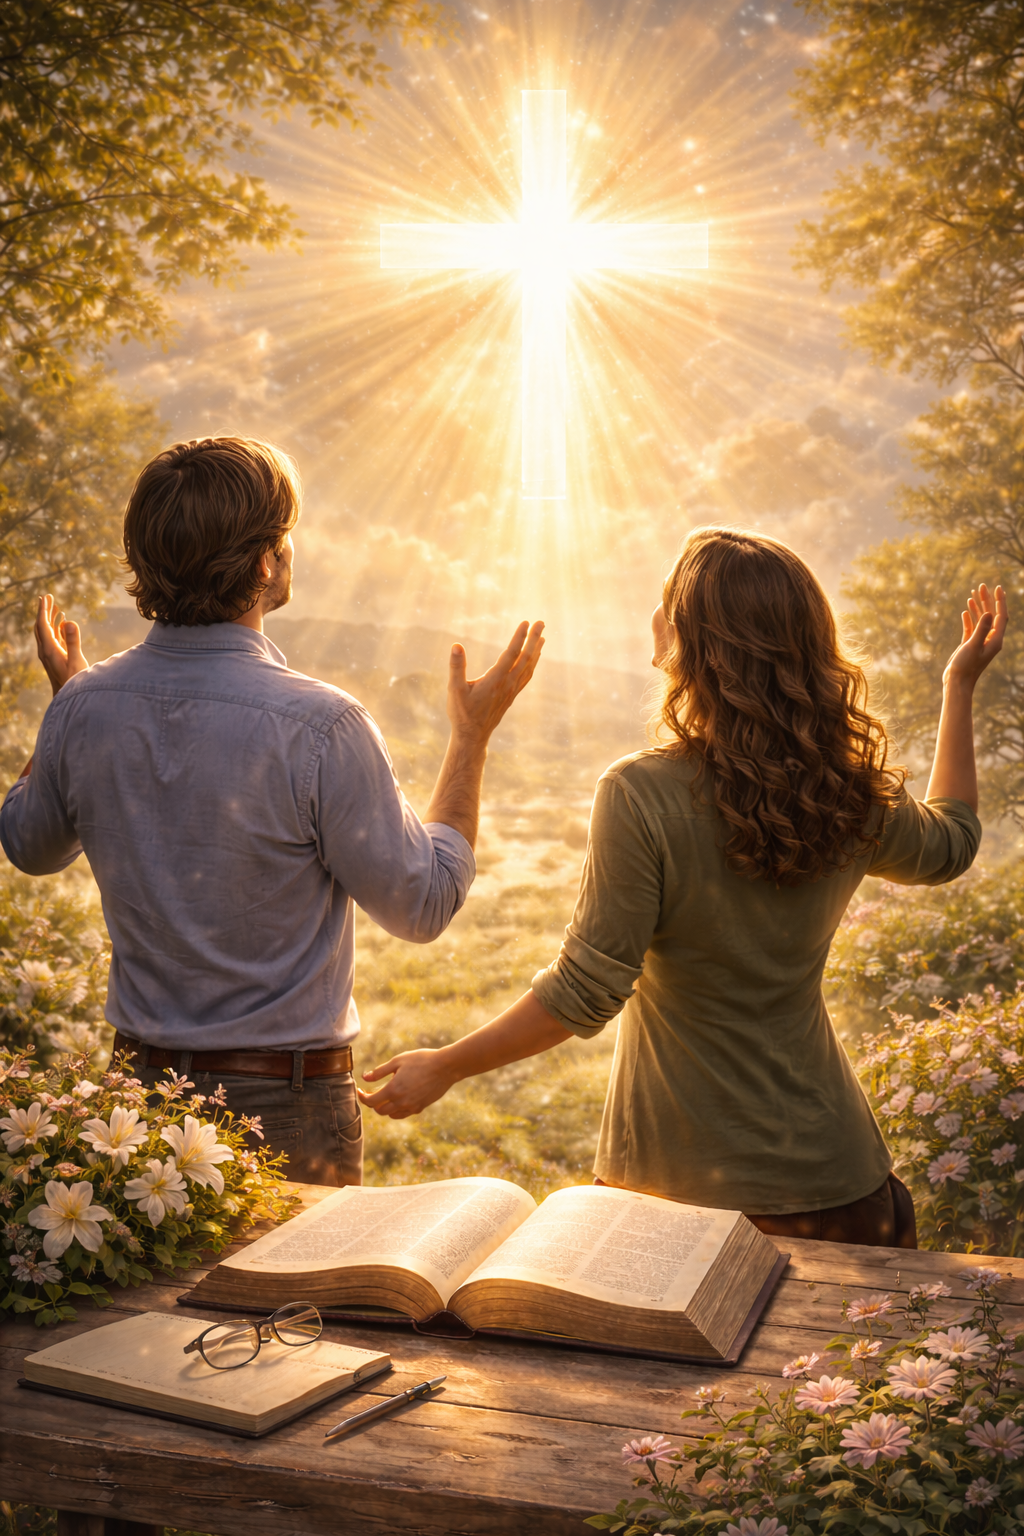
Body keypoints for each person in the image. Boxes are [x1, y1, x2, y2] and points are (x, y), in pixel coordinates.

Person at [359, 527, 1008, 1249]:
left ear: (689, 642)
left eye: (666, 605)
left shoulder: (640, 793)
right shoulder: (847, 791)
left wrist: (446, 1066)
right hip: (842, 1184)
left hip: (676, 1193)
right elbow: (952, 843)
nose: (653, 616)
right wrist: (959, 685)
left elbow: (585, 992)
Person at [0, 435, 544, 1187]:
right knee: (292, 1276)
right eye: (285, 534)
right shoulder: (322, 725)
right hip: (282, 1112)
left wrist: (68, 707)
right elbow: (422, 906)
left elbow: (28, 845)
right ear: (265, 563)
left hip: (132, 1102)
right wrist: (471, 738)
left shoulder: (85, 707)